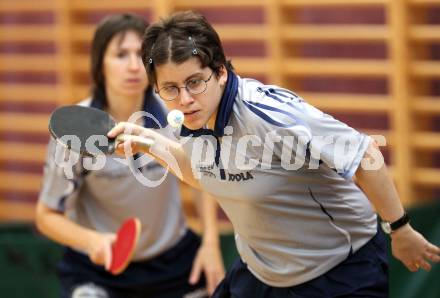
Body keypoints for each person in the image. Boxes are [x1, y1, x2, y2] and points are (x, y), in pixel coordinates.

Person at [107, 11, 440, 298]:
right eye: (171, 88)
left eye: (195, 81)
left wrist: (400, 228)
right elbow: (203, 172)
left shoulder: (271, 116)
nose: (185, 98)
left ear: (220, 71)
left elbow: (365, 154)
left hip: (339, 271)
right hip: (262, 274)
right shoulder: (185, 120)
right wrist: (150, 142)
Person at [36, 13, 224, 298]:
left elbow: (202, 178)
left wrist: (210, 244)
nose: (134, 66)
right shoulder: (74, 132)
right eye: (121, 55)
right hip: (97, 270)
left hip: (173, 261)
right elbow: (46, 215)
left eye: (141, 55)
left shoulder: (175, 115)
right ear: (100, 65)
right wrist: (92, 241)